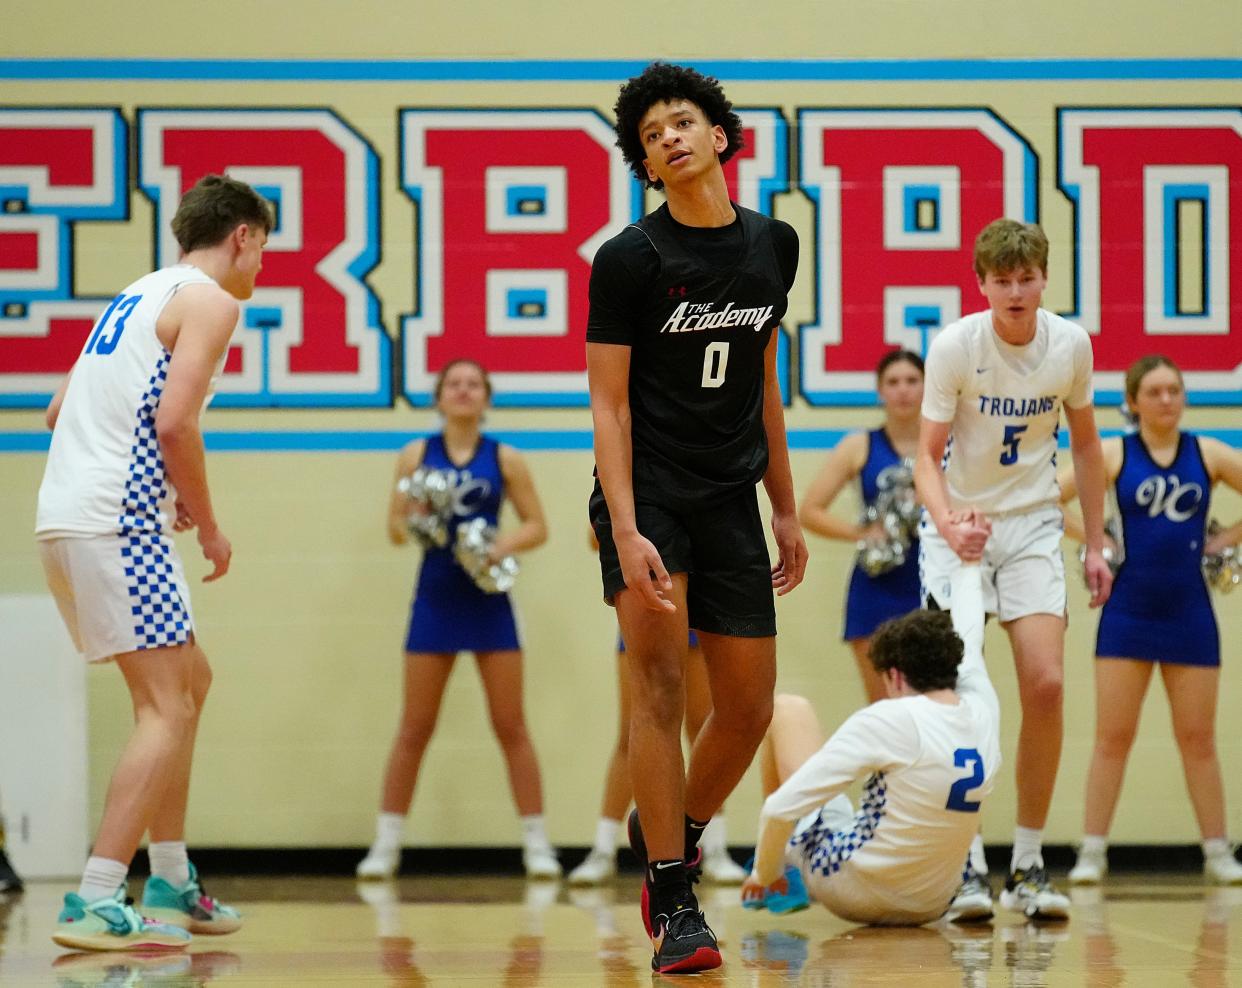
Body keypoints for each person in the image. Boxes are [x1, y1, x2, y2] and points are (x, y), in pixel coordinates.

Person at [586, 61, 807, 974]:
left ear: (720, 135)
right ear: (645, 162)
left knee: (750, 706)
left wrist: (786, 506)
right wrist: (627, 528)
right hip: (651, 499)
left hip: (732, 499)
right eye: (650, 136)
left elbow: (764, 382)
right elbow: (609, 406)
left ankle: (668, 825)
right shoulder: (630, 257)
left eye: (682, 123)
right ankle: (675, 896)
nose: (669, 138)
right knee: (660, 687)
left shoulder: (774, 245)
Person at [36, 173, 270, 951]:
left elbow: (57, 409)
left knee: (188, 683)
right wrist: (206, 523)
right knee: (165, 706)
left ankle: (169, 874)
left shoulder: (136, 294)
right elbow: (175, 424)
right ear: (243, 235)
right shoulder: (211, 300)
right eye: (263, 249)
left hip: (66, 517)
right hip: (118, 522)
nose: (259, 267)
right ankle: (98, 895)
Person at [913, 217, 1113, 922]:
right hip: (959, 527)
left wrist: (1093, 542)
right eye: (1003, 280)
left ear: (1044, 278)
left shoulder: (1070, 345)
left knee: (1048, 684)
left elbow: (1087, 450)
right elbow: (924, 457)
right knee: (963, 698)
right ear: (983, 284)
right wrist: (947, 524)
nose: (1016, 291)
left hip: (1030, 524)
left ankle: (1027, 863)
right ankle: (966, 866)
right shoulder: (955, 348)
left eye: (1026, 278)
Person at [356, 359, 560, 881]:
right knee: (415, 726)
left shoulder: (506, 458)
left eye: (474, 384)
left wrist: (496, 544)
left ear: (487, 397)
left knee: (511, 724)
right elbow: (394, 529)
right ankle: (386, 845)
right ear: (439, 397)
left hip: (489, 599)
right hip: (436, 597)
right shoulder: (415, 455)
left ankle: (537, 845)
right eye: (454, 384)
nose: (464, 391)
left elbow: (538, 526)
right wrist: (419, 522)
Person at [1059, 355, 1242, 886]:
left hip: (1190, 613)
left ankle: (1216, 852)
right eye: (1155, 392)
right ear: (1134, 402)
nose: (1167, 400)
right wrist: (1095, 537)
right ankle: (1092, 852)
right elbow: (1049, 495)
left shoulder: (1206, 453)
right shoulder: (1115, 453)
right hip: (1127, 614)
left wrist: (1225, 538)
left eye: (1175, 390)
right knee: (1111, 737)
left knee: (1199, 739)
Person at [742, 561, 1000, 925]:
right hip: (935, 902)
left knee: (787, 709)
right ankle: (781, 859)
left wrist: (763, 876)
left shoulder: (891, 719)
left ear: (894, 675)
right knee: (850, 808)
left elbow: (779, 810)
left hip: (854, 891)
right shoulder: (982, 712)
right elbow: (971, 639)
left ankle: (779, 872)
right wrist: (970, 566)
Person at [567, 625, 747, 885]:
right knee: (632, 732)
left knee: (703, 728)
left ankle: (715, 850)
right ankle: (603, 852)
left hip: (700, 609)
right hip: (651, 604)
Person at [800, 350, 925, 703]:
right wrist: (862, 533)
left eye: (913, 381)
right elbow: (810, 510)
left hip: (933, 583)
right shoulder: (861, 445)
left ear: (928, 387)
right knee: (885, 707)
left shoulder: (948, 445)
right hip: (878, 586)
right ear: (880, 391)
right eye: (893, 382)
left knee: (931, 707)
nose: (903, 390)